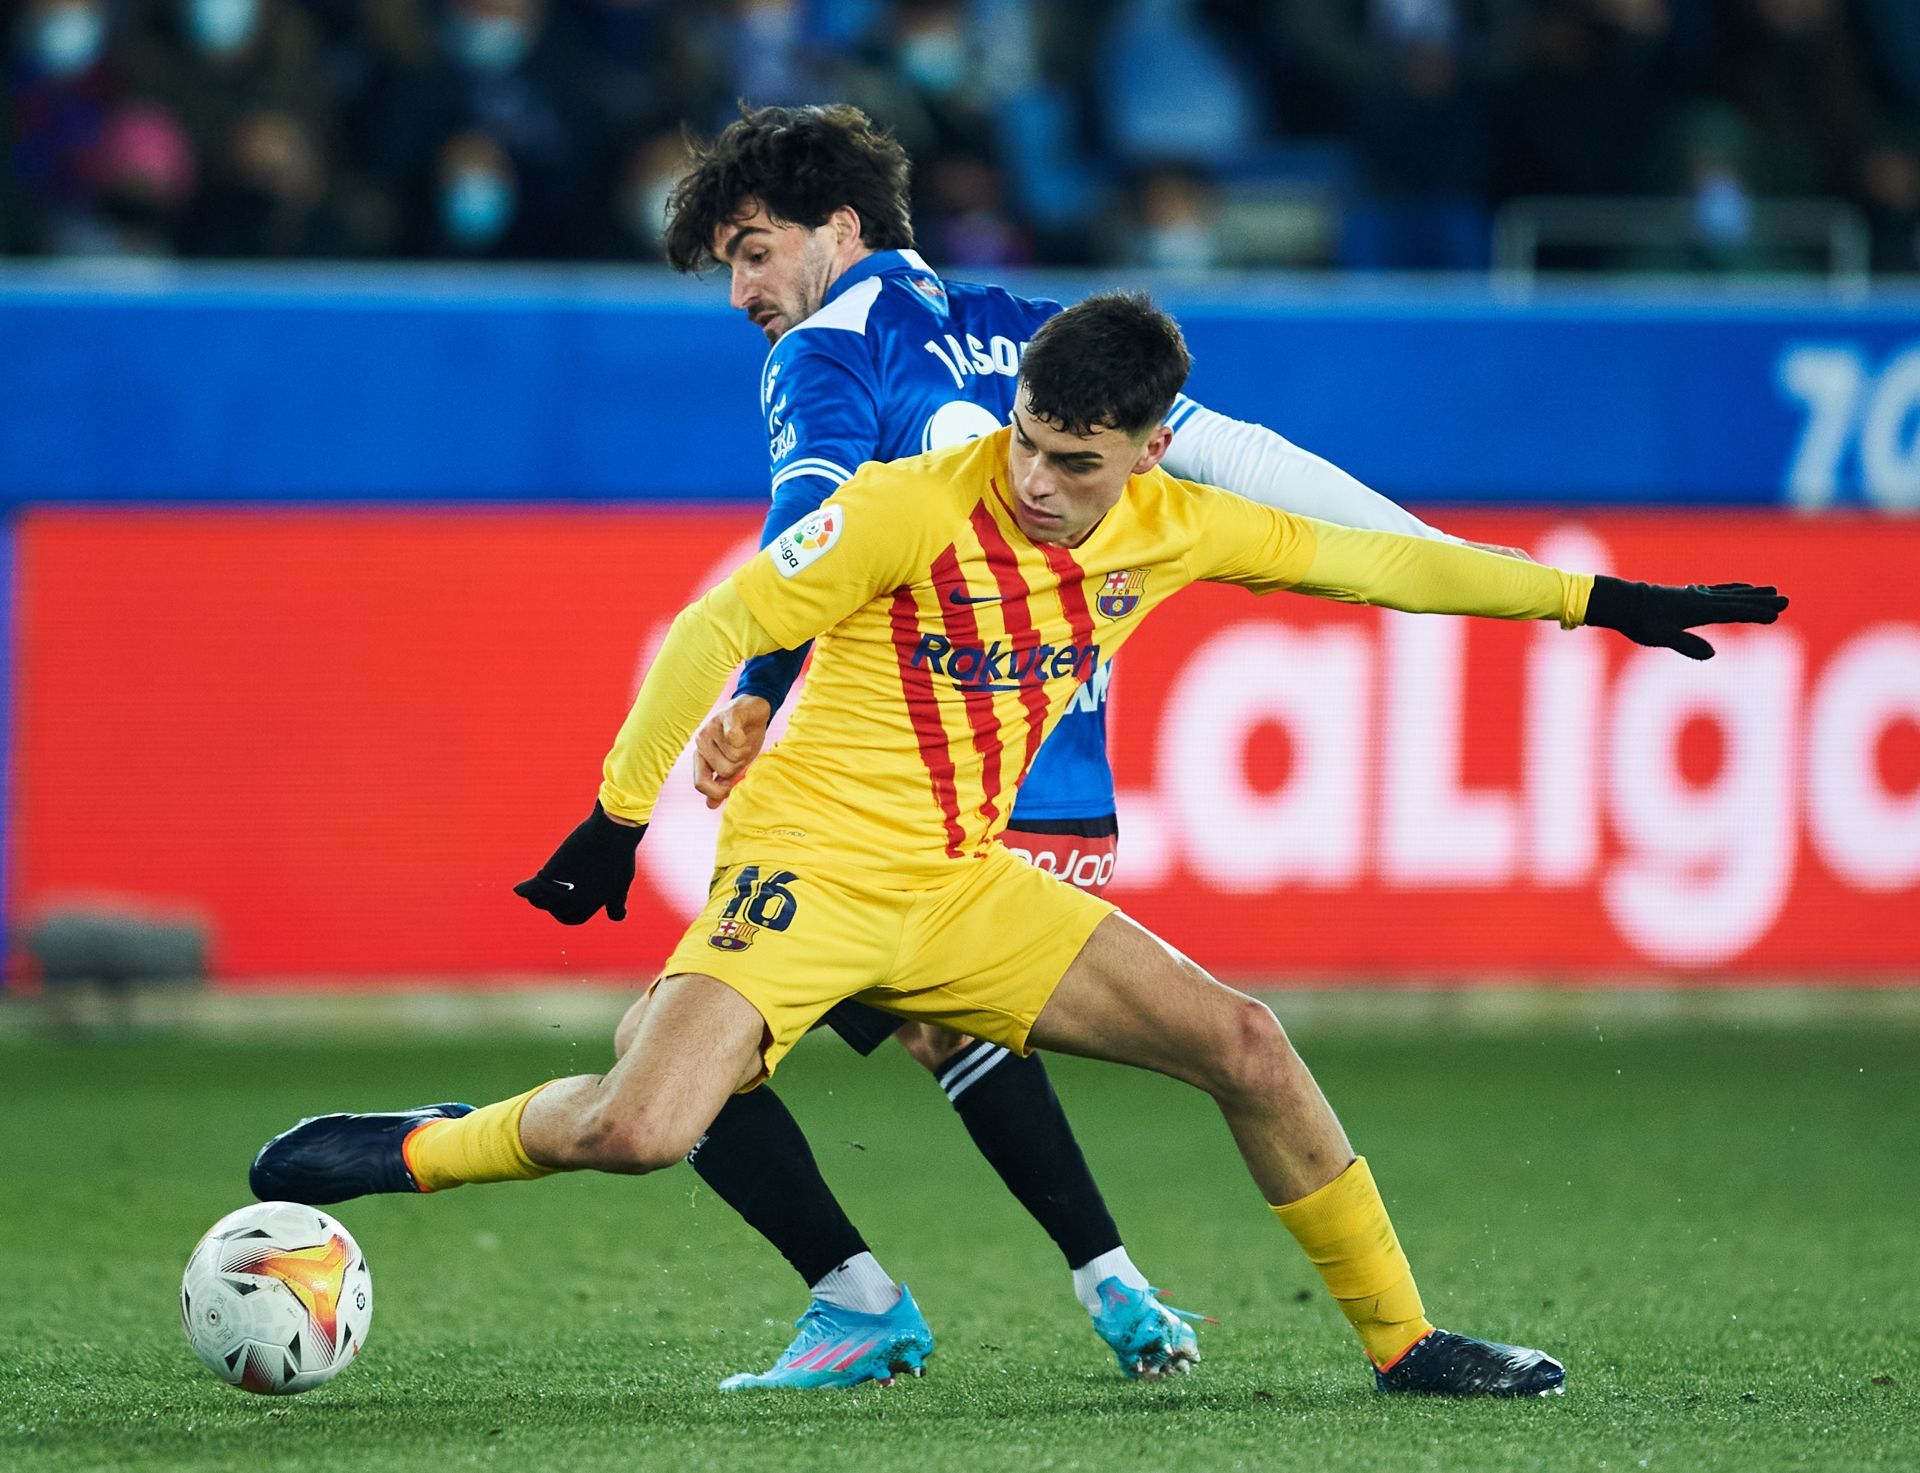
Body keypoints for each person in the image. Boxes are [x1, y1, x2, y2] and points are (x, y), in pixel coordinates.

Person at [251, 289, 1786, 1398]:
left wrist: (1607, 605)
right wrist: (617, 810)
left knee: (1246, 1041)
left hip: (965, 887)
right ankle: (411, 1147)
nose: (1042, 486)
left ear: (1153, 446)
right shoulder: (915, 501)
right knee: (642, 1128)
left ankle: (1407, 1342)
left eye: (1077, 462)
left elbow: (1384, 566)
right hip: (813, 874)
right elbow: (728, 616)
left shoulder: (1188, 522)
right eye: (1033, 448)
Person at [655, 102, 1526, 1389]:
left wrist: (756, 688)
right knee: (948, 1027)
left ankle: (865, 1300)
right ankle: (1112, 1285)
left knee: (682, 1069)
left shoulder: (832, 349)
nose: (741, 291)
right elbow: (1243, 456)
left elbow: (808, 535)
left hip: (940, 760)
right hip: (1057, 765)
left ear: (840, 228)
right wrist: (1455, 567)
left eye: (752, 249)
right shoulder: (1031, 331)